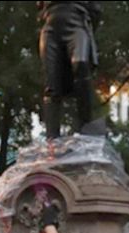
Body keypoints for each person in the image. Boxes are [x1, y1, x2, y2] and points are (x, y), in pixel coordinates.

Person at [38, 1, 102, 138]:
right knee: (51, 84)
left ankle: (86, 127)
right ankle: (51, 137)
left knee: (81, 64)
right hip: (51, 26)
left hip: (77, 23)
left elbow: (96, 10)